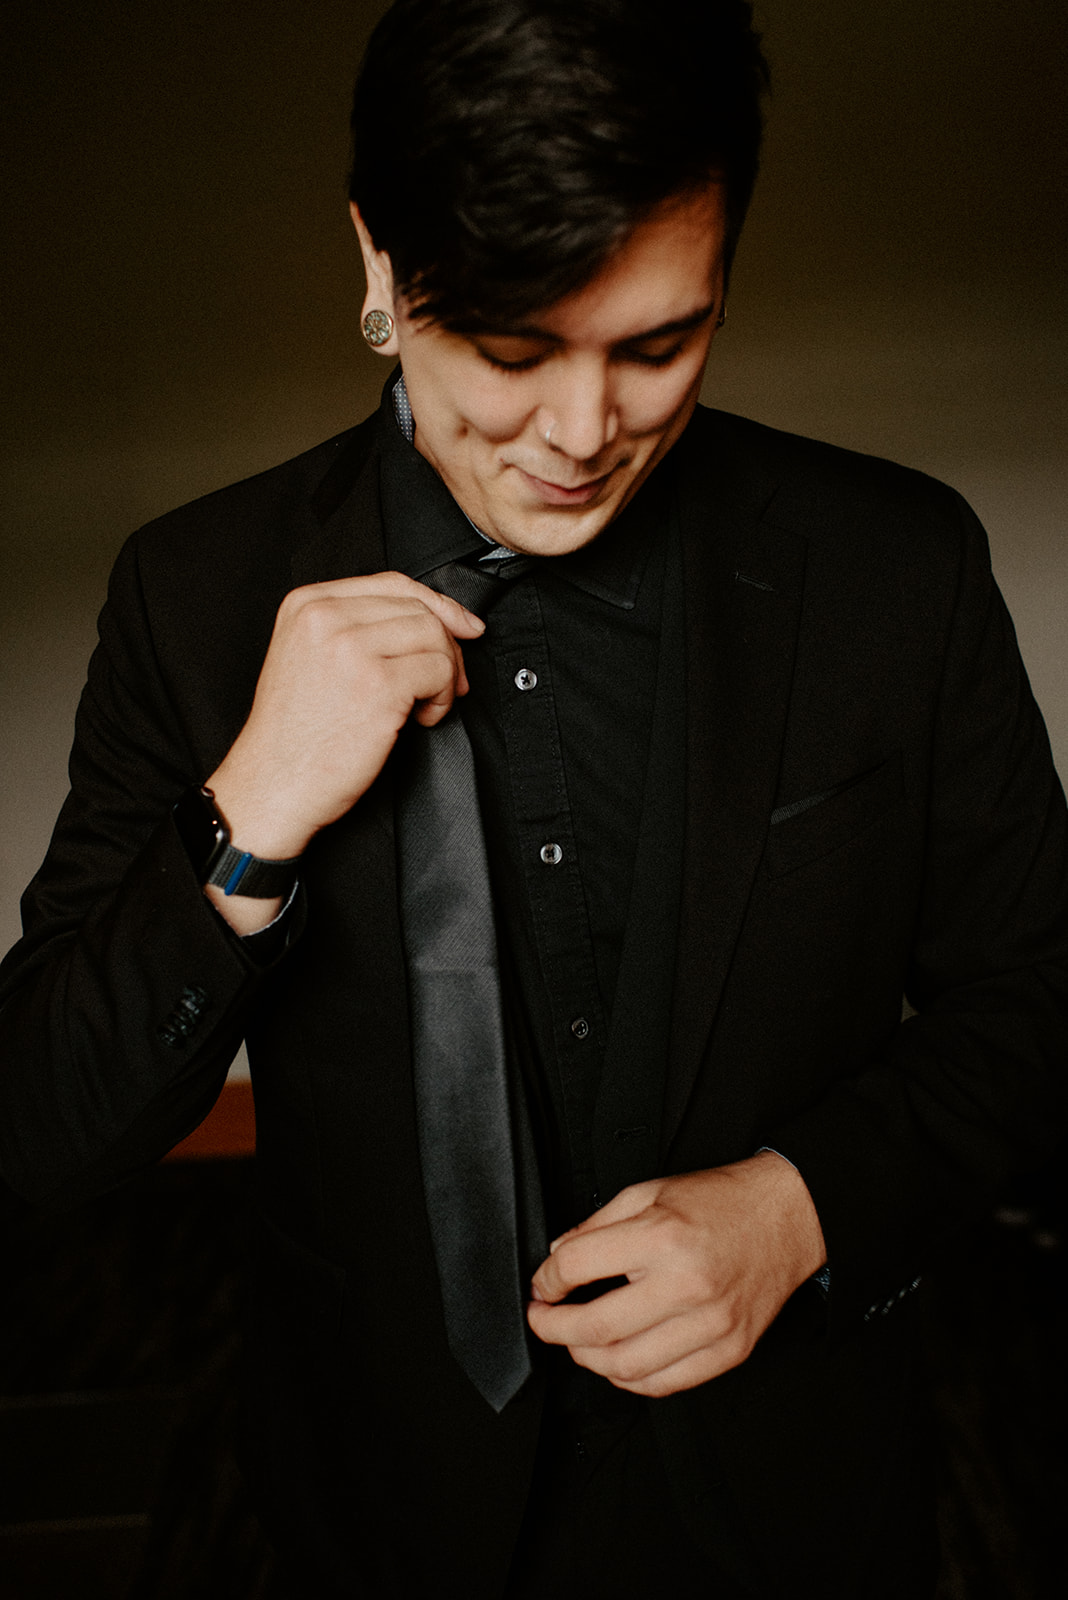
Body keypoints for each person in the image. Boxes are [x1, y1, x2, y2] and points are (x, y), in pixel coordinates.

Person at [1, 1, 1065, 1594]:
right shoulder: (194, 593)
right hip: (369, 1507)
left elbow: (1038, 997)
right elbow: (35, 1131)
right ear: (379, 268)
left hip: (792, 1494)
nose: (582, 435)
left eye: (660, 344)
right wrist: (247, 819)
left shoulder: (896, 567)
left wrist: (800, 1209)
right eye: (512, 353)